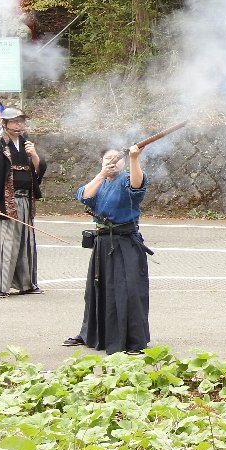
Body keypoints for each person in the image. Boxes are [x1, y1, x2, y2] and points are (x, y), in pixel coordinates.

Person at [63, 144, 151, 354]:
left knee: (128, 291)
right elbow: (84, 196)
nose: (112, 162)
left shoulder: (127, 178)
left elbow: (137, 186)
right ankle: (91, 334)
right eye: (107, 159)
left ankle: (133, 341)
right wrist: (102, 174)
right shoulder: (100, 181)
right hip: (102, 243)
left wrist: (134, 159)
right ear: (101, 162)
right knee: (96, 290)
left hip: (126, 242)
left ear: (123, 162)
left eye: (117, 158)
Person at [0, 108, 46, 298]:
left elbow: (39, 169)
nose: (19, 124)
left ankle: (26, 283)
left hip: (25, 201)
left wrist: (34, 155)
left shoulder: (27, 145)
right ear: (5, 123)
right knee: (3, 244)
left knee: (25, 242)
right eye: (15, 121)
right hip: (3, 202)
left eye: (21, 121)